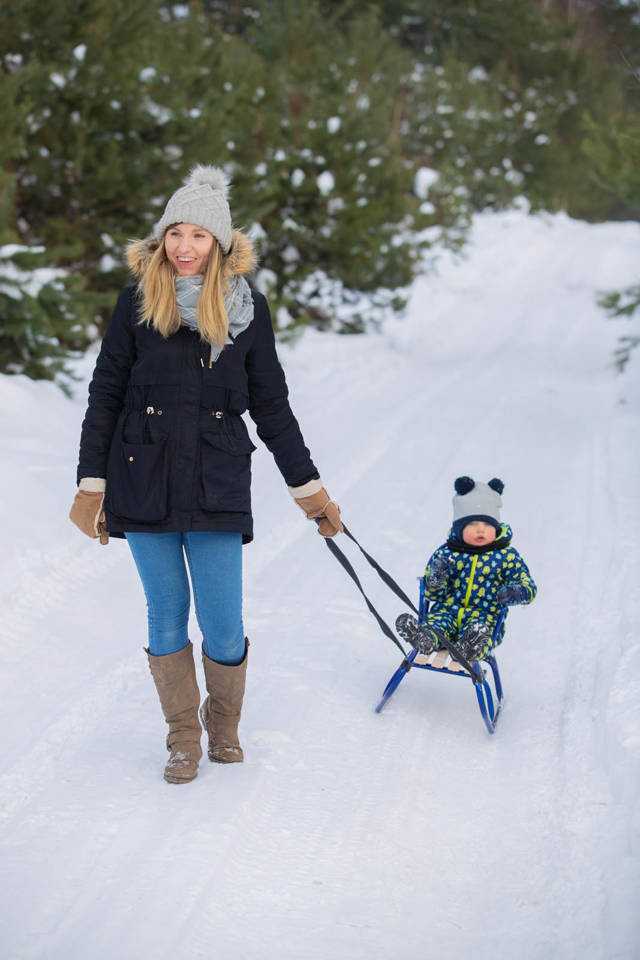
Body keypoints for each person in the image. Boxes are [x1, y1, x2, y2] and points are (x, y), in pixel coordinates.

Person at [69, 164, 342, 785]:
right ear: (161, 240)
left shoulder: (249, 312)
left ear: (219, 244)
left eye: (197, 236)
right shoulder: (136, 306)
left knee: (223, 621)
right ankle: (182, 738)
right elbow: (105, 395)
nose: (184, 247)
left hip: (218, 481)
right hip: (142, 478)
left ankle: (223, 727)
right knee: (165, 613)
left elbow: (271, 405)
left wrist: (310, 490)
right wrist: (92, 482)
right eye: (174, 234)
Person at [395, 476, 536, 661]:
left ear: (496, 527)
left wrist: (516, 592)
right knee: (437, 623)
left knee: (479, 631)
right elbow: (432, 593)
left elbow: (528, 586)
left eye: (487, 524)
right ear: (459, 528)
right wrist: (437, 578)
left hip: (484, 618)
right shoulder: (447, 553)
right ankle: (425, 638)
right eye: (472, 524)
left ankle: (467, 648)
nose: (480, 530)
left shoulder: (506, 556)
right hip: (447, 611)